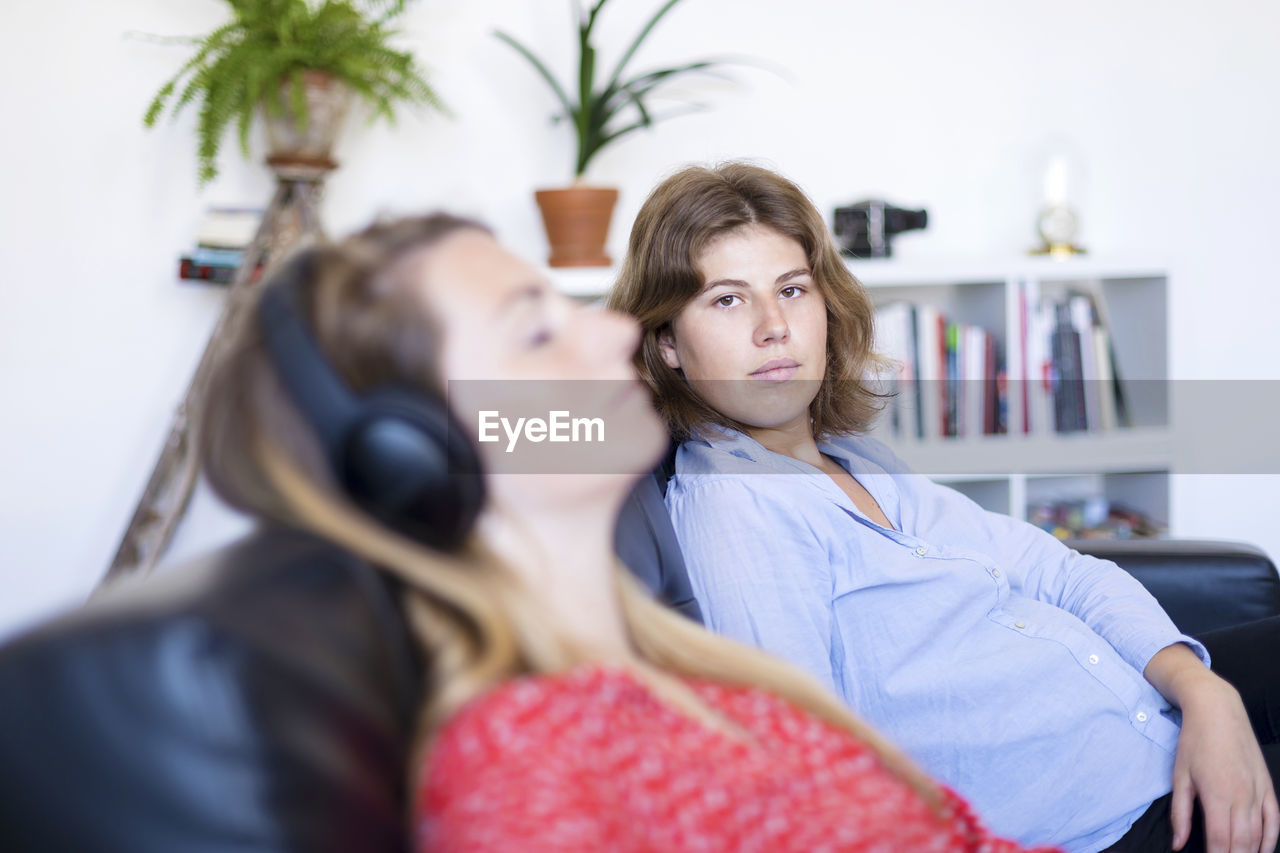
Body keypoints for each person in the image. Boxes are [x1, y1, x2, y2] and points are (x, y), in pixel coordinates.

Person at [198, 212, 1056, 852]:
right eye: (536, 330)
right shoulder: (517, 765)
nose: (614, 327)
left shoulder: (671, 671)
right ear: (414, 454)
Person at [607, 162, 1280, 853]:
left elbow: (1063, 571)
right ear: (666, 343)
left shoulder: (852, 459)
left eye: (791, 289)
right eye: (727, 300)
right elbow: (809, 774)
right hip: (1118, 818)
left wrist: (1203, 691)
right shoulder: (737, 511)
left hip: (1152, 718)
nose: (773, 326)